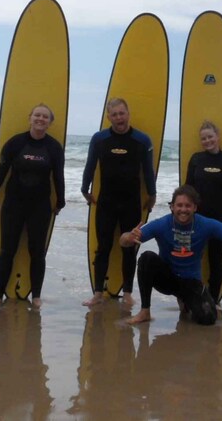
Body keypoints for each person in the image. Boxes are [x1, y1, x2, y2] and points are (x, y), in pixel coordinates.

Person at [122, 185, 222, 325]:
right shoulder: (161, 224)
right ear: (172, 207)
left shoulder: (206, 224)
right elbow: (124, 241)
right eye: (179, 205)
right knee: (146, 258)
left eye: (188, 206)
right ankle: (145, 311)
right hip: (167, 279)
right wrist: (128, 237)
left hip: (191, 281)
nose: (183, 209)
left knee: (208, 319)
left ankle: (187, 301)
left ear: (195, 207)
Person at [0, 103, 66, 309]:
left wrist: (61, 201)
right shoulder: (15, 143)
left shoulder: (54, 147)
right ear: (30, 117)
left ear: (50, 123)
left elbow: (58, 176)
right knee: (7, 250)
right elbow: (2, 170)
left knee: (37, 252)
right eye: (37, 115)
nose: (40, 119)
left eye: (45, 117)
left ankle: (36, 296)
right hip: (13, 203)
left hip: (40, 206)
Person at [81, 98, 157, 306]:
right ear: (108, 117)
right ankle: (97, 293)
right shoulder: (99, 139)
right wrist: (84, 188)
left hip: (131, 202)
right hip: (106, 202)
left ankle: (128, 293)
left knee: (129, 247)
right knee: (103, 247)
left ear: (128, 113)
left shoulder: (142, 140)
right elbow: (90, 166)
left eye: (122, 113)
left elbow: (148, 172)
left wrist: (152, 195)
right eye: (114, 114)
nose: (119, 118)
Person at [184, 121, 222, 303]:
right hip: (197, 218)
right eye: (203, 138)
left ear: (217, 137)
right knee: (192, 258)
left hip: (220, 218)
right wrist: (180, 211)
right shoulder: (196, 159)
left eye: (210, 137)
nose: (207, 140)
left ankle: (214, 300)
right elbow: (187, 188)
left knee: (216, 261)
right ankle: (191, 297)